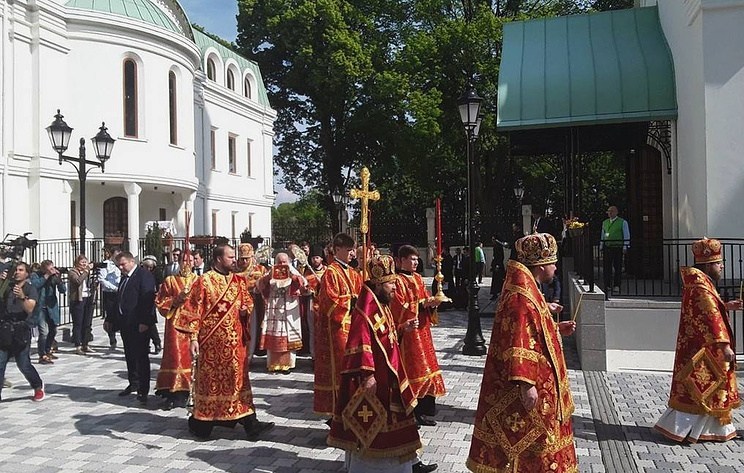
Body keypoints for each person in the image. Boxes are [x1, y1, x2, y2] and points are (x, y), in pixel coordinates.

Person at [466, 232, 577, 472]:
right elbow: (517, 341)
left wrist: (557, 328)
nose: (556, 267)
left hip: (536, 383)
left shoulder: (527, 287)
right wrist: (526, 384)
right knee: (528, 449)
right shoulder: (521, 295)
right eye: (553, 262)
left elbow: (533, 331)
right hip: (528, 387)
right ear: (541, 263)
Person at [327, 255, 424, 473]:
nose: (394, 289)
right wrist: (367, 375)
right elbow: (359, 342)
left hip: (388, 378)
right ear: (379, 283)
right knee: (374, 429)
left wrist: (402, 328)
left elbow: (385, 338)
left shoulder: (380, 302)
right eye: (391, 284)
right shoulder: (366, 309)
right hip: (375, 382)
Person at [176, 244, 274, 440]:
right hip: (211, 345)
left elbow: (247, 300)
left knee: (238, 383)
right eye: (230, 257)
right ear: (219, 259)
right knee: (211, 384)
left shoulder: (237, 281)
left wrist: (246, 309)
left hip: (235, 345)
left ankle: (250, 423)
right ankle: (202, 422)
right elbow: (192, 311)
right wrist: (193, 337)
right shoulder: (204, 281)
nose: (234, 260)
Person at [654, 238, 743, 443]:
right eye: (719, 263)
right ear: (708, 264)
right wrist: (725, 346)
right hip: (706, 348)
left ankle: (707, 430)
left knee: (706, 389)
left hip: (698, 346)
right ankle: (686, 429)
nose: (721, 266)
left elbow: (710, 310)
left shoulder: (699, 283)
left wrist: (726, 306)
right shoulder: (701, 287)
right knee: (703, 388)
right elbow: (710, 317)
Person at [391, 245, 445, 429]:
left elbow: (426, 298)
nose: (415, 262)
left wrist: (433, 303)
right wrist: (422, 305)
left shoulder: (419, 278)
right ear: (402, 260)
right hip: (409, 334)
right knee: (414, 370)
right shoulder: (397, 281)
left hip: (423, 331)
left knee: (428, 368)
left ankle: (425, 411)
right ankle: (412, 412)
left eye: (416, 259)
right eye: (411, 259)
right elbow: (398, 306)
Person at [314, 233, 363, 420]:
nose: (352, 254)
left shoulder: (353, 272)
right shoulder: (331, 272)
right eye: (349, 250)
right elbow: (329, 301)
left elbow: (360, 294)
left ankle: (351, 409)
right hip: (338, 330)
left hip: (354, 327)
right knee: (341, 369)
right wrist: (352, 302)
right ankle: (338, 413)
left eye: (353, 250)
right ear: (337, 250)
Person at [154, 251, 197, 410]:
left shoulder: (199, 281)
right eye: (184, 260)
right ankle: (174, 390)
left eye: (190, 260)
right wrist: (175, 300)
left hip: (193, 325)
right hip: (175, 326)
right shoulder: (170, 281)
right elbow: (161, 301)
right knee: (176, 356)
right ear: (178, 261)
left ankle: (192, 390)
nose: (187, 263)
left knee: (192, 357)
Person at [115, 251, 157, 405]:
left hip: (139, 323)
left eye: (123, 264)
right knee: (129, 355)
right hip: (126, 323)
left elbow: (148, 300)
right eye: (118, 265)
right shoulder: (125, 278)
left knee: (141, 357)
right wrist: (111, 319)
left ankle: (143, 390)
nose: (121, 268)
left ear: (132, 261)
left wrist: (145, 321)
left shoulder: (143, 275)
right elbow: (119, 298)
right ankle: (133, 382)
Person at [0, 262, 45, 402]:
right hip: (5, 330)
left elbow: (29, 308)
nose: (17, 272)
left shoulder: (30, 288)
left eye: (21, 270)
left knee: (23, 364)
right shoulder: (6, 287)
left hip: (20, 331)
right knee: (0, 363)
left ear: (27, 273)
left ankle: (38, 386)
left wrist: (21, 297)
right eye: (16, 270)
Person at [257, 252, 308, 373]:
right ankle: (273, 364)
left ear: (289, 262)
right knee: (273, 333)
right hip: (274, 309)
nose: (282, 264)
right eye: (279, 262)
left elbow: (304, 285)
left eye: (284, 262)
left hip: (289, 309)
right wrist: (267, 278)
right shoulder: (271, 272)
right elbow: (259, 285)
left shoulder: (294, 272)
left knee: (288, 336)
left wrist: (294, 278)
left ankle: (288, 365)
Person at [30, 260, 66, 364]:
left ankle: (47, 349)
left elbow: (63, 290)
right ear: (43, 269)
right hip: (40, 307)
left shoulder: (54, 277)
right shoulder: (35, 275)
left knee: (53, 330)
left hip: (51, 307)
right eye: (49, 269)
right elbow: (35, 285)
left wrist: (59, 280)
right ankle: (42, 355)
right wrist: (46, 276)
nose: (51, 271)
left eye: (52, 268)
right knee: (43, 331)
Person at [68, 255, 95, 355]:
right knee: (78, 323)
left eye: (86, 262)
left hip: (88, 297)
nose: (84, 264)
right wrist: (86, 271)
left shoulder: (87, 273)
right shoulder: (72, 272)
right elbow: (78, 281)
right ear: (77, 263)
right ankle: (77, 345)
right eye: (82, 262)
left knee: (87, 323)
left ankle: (85, 344)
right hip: (78, 299)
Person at [600, 205, 630, 294]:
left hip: (617, 246)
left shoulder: (622, 222)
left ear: (616, 212)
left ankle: (617, 285)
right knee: (606, 267)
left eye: (611, 211)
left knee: (618, 266)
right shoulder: (605, 222)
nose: (609, 213)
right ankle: (607, 284)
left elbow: (626, 234)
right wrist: (601, 244)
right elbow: (603, 233)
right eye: (608, 211)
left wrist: (625, 245)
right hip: (607, 246)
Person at [99, 247, 122, 350]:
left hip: (119, 293)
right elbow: (102, 279)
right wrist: (114, 288)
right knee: (111, 316)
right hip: (110, 293)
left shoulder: (120, 264)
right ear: (112, 255)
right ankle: (112, 338)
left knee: (120, 315)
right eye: (116, 255)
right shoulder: (106, 264)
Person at [141, 255, 162, 354]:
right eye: (146, 267)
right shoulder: (140, 274)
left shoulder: (156, 273)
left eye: (151, 267)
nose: (148, 269)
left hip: (151, 299)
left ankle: (156, 342)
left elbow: (160, 285)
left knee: (150, 322)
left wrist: (159, 295)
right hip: (141, 299)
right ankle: (146, 344)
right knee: (143, 323)